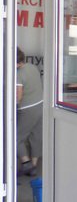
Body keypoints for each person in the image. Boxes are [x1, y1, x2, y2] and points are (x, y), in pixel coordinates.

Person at [16, 47, 43, 177]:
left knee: (16, 138)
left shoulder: (18, 74)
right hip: (40, 105)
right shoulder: (32, 67)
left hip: (28, 109)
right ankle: (33, 166)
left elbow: (18, 97)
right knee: (36, 136)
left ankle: (26, 163)